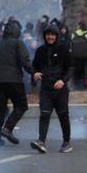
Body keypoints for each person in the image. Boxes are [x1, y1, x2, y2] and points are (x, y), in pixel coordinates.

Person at [28, 25, 73, 153]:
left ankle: (66, 142)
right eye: (48, 34)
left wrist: (62, 81)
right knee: (44, 115)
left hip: (60, 90)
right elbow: (34, 66)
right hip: (46, 89)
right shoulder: (40, 50)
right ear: (45, 36)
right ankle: (41, 141)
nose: (50, 37)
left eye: (53, 35)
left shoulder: (63, 49)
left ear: (57, 36)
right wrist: (35, 73)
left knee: (63, 115)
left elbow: (71, 68)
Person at [0, 20, 34, 146]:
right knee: (21, 106)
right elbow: (25, 61)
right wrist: (34, 72)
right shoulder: (18, 43)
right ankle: (8, 128)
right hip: (14, 80)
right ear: (17, 33)